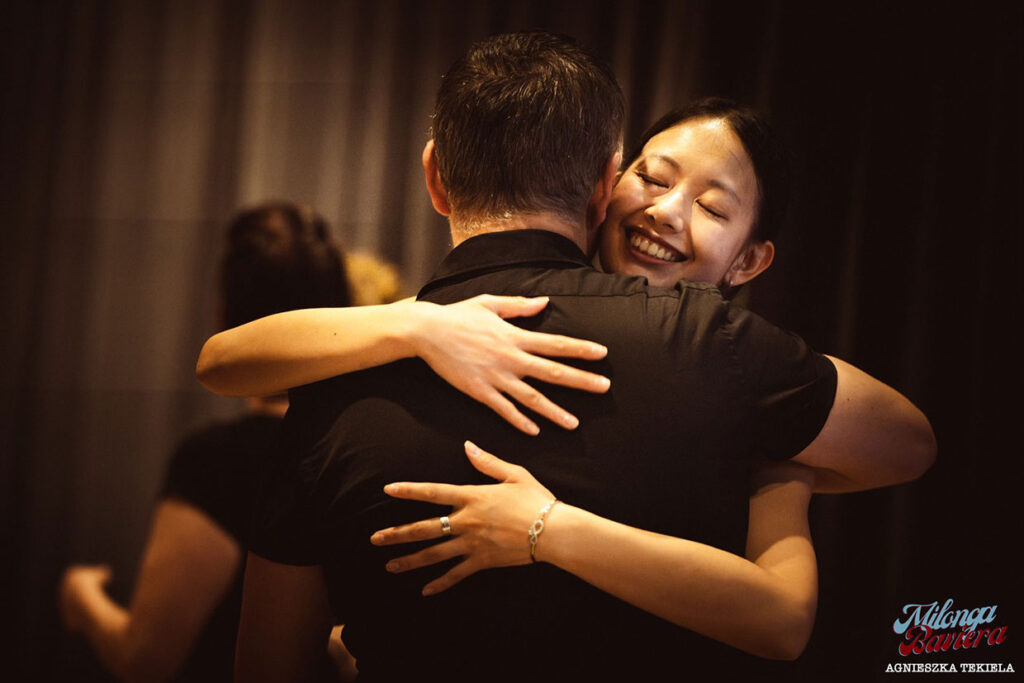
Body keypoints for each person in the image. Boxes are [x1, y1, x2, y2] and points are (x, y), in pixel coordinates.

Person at [231, 33, 934, 682]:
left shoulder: (335, 384)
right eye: (652, 178)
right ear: (608, 181)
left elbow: (267, 662)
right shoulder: (718, 362)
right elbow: (907, 444)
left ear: (434, 176)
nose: (664, 213)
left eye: (714, 208)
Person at [59, 202, 355, 682]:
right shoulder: (362, 447)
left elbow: (146, 661)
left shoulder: (218, 463)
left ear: (226, 313)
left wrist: (82, 597)